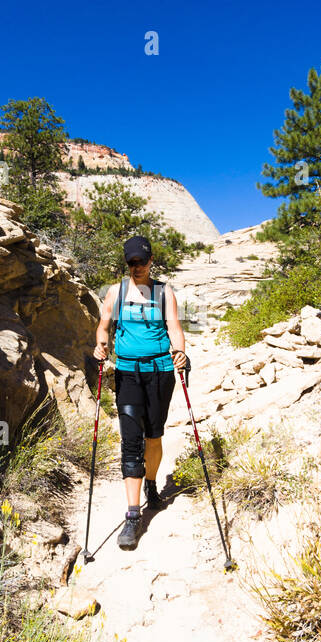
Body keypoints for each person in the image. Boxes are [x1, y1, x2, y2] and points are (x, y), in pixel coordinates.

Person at [93, 235, 187, 549]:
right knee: (131, 440)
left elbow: (174, 327)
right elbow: (103, 326)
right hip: (128, 374)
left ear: (150, 262)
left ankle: (151, 485)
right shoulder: (115, 292)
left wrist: (181, 353)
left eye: (141, 262)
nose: (137, 268)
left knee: (154, 435)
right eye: (131, 263)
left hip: (160, 372)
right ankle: (133, 516)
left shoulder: (164, 292)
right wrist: (100, 344)